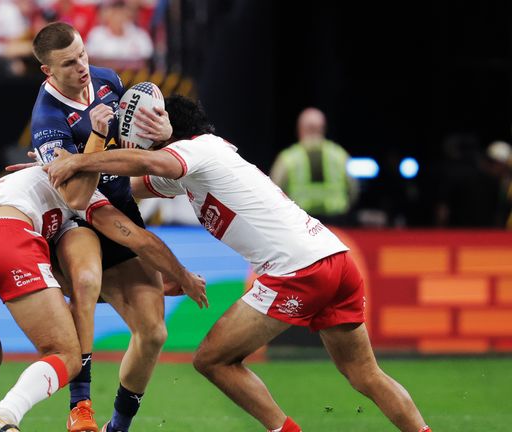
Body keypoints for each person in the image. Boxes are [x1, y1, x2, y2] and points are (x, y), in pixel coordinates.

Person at [44, 95, 433, 432]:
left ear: (169, 130)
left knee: (213, 360)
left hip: (297, 270)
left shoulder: (199, 150)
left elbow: (152, 163)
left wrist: (79, 162)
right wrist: (54, 176)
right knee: (365, 374)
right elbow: (123, 188)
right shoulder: (202, 162)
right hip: (334, 258)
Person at [0, 164, 205, 432]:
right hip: (7, 237)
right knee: (66, 355)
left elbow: (59, 283)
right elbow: (136, 238)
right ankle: (6, 413)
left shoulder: (33, 178)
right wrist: (182, 275)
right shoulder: (79, 189)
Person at [29, 21, 173, 432]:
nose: (82, 67)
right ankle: (80, 405)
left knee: (153, 333)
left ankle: (118, 427)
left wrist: (163, 133)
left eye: (82, 54)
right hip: (75, 222)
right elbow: (75, 197)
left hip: (120, 208)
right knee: (87, 281)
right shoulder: (47, 120)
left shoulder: (108, 79)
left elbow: (135, 146)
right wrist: (95, 136)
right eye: (69, 63)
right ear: (48, 71)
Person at [269, 107, 358, 226]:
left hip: (301, 222)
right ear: (323, 128)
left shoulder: (288, 157)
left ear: (300, 129)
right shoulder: (340, 155)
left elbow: (273, 191)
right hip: (337, 222)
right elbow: (354, 189)